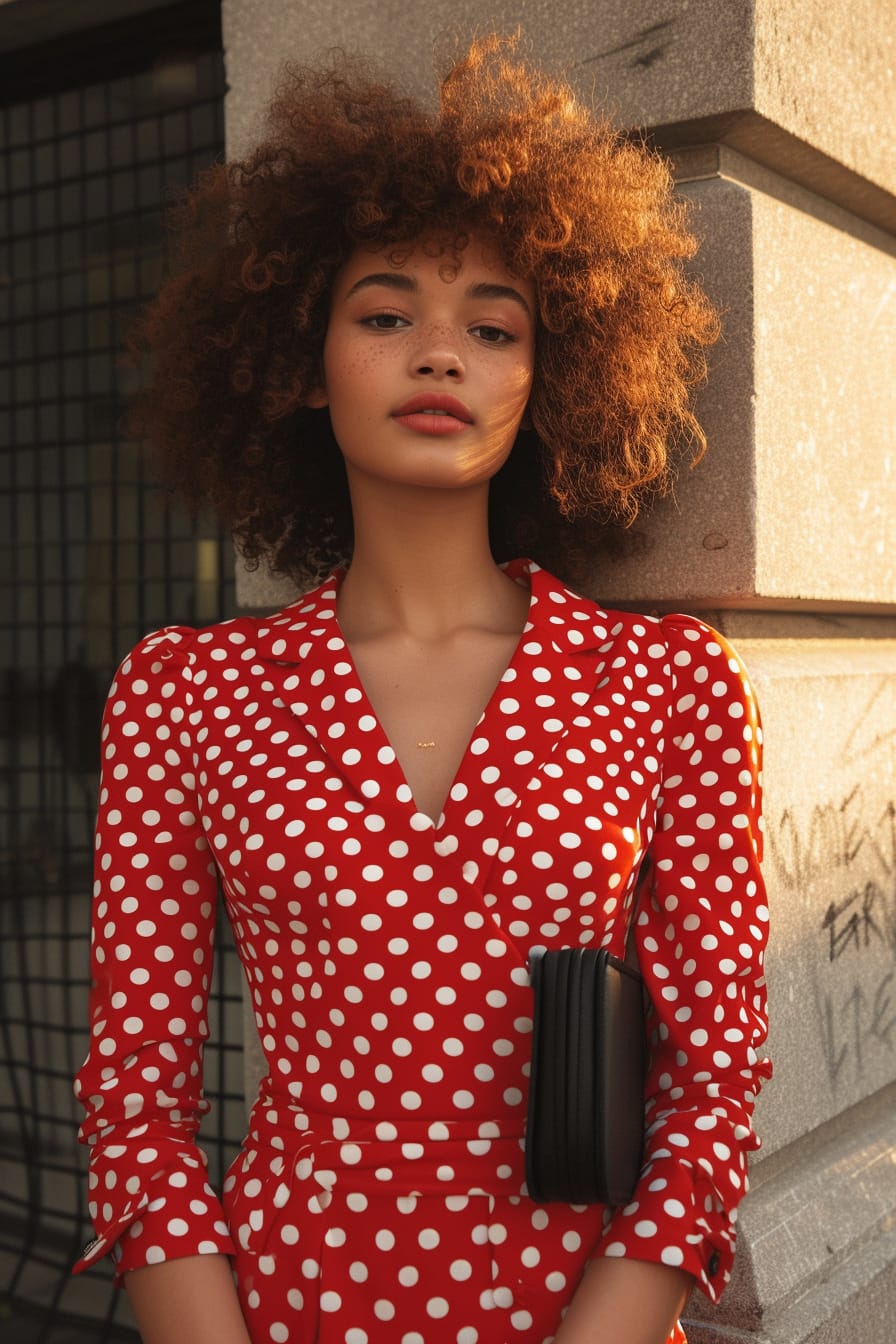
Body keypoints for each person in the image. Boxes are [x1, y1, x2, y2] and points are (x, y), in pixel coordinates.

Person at [73, 35, 771, 1344]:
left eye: (492, 327)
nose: (439, 353)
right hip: (292, 1312)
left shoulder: (666, 684)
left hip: (585, 1313)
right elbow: (137, 1111)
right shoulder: (185, 694)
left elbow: (712, 1091)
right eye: (386, 314)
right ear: (298, 357)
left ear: (545, 376)